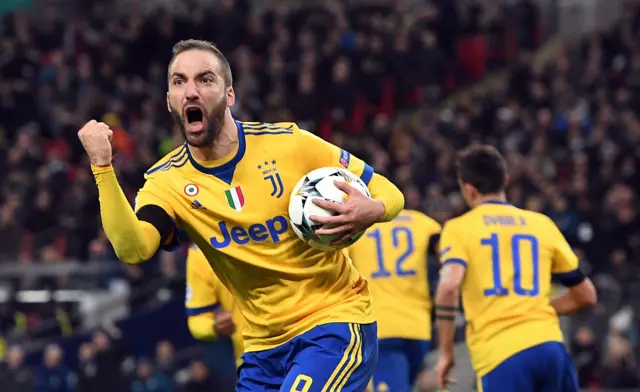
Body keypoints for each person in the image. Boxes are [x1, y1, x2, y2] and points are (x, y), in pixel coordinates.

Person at [78, 39, 405, 391]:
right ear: (169, 101)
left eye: (205, 79)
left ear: (229, 94)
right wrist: (102, 168)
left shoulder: (289, 144)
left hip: (334, 324)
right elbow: (133, 249)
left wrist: (373, 208)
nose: (191, 91)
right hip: (262, 350)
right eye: (179, 82)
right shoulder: (166, 183)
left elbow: (390, 192)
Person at [434, 144, 598, 392]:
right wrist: (533, 310)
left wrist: (446, 354)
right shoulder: (541, 224)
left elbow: (448, 287)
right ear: (506, 180)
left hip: (501, 354)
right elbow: (587, 295)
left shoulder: (459, 228)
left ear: (468, 189)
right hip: (550, 347)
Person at [348, 209, 440, 392]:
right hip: (418, 327)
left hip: (380, 326)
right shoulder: (423, 222)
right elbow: (445, 259)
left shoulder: (357, 224)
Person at [186, 245, 242, 391]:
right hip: (251, 360)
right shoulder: (200, 253)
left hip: (303, 337)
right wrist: (215, 326)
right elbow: (196, 319)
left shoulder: (273, 223)